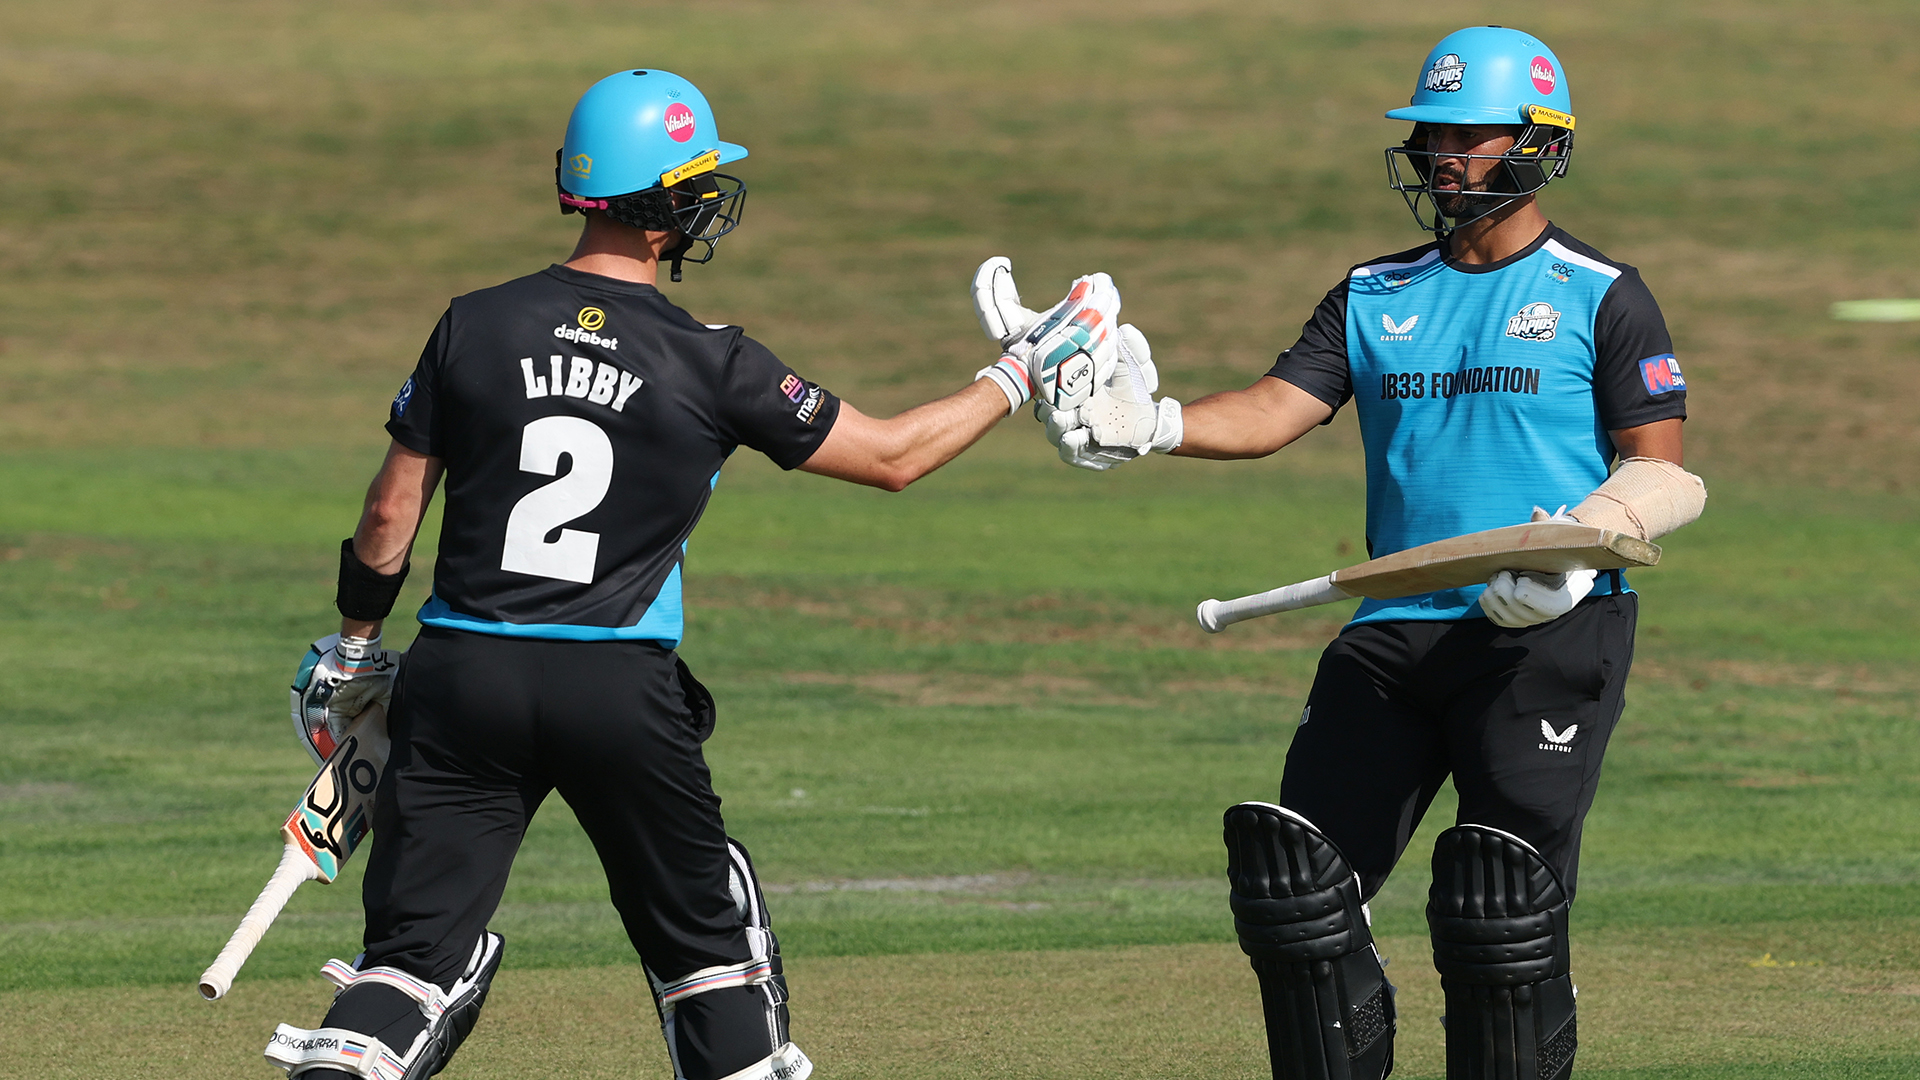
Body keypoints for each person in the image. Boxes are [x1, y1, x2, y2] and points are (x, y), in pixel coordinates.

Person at [263, 68, 1121, 1080]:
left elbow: (388, 515)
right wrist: (1020, 371)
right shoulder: (712, 358)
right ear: (670, 205)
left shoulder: (472, 322)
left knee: (408, 961)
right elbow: (895, 457)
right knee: (707, 958)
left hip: (464, 674)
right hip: (614, 687)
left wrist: (357, 648)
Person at [1020, 26, 1707, 1080]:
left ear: (1539, 143)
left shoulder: (1601, 294)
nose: (1443, 156)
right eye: (1432, 135)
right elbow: (1272, 409)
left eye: (1469, 136)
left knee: (1500, 911)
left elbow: (1665, 473)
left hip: (1546, 636)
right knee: (1297, 890)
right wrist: (1150, 422)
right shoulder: (1374, 292)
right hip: (1395, 627)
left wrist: (1576, 554)